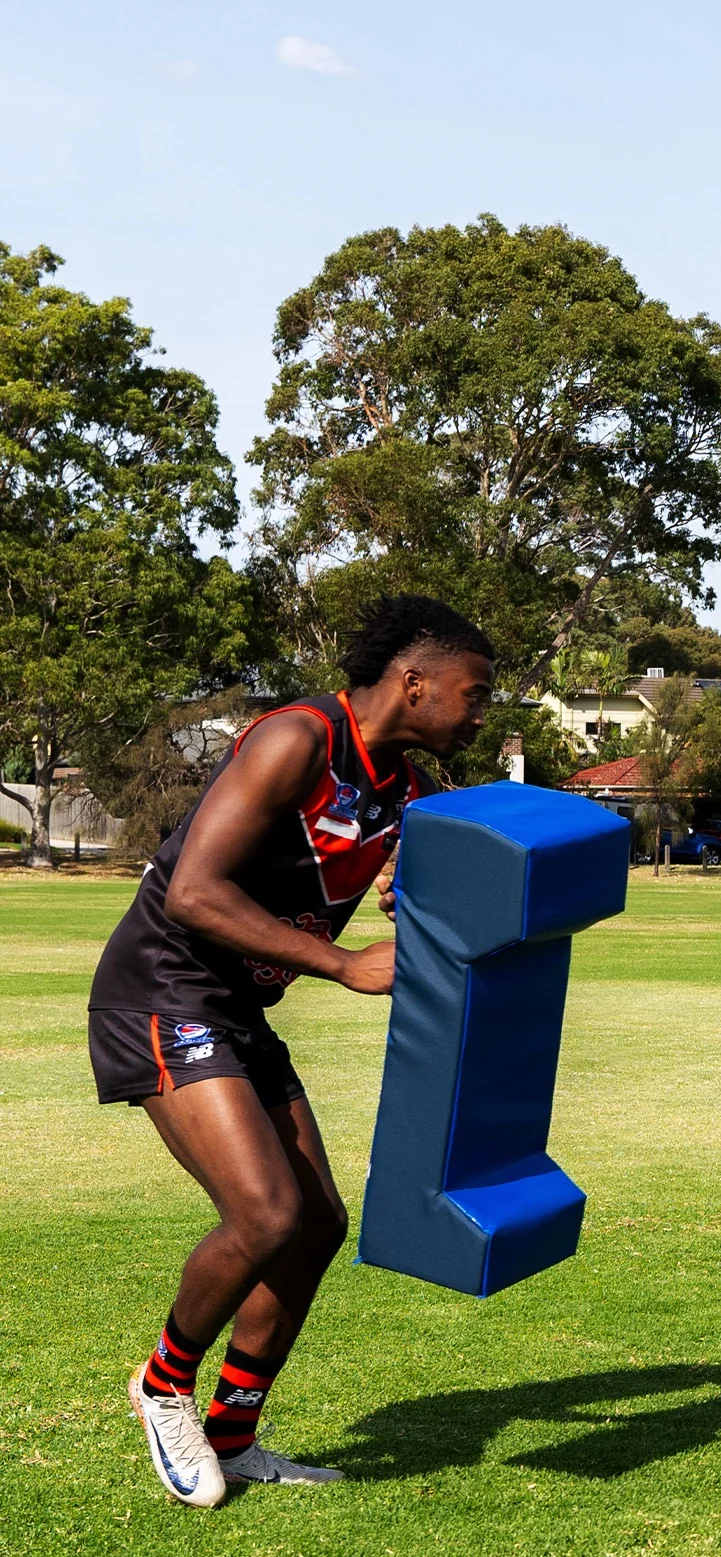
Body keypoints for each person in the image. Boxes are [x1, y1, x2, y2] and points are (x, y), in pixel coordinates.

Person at [89, 595, 495, 1508]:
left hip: (235, 1006)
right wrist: (344, 962)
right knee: (266, 1213)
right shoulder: (296, 739)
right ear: (413, 681)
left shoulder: (405, 790)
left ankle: (234, 1437)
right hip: (161, 989)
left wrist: (413, 900)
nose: (479, 714)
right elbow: (194, 890)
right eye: (472, 696)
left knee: (316, 1224)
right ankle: (162, 1387)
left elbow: (389, 875)